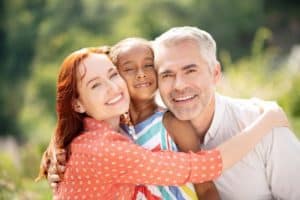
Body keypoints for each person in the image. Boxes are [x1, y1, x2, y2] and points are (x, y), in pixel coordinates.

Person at [37, 45, 288, 199]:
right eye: (95, 85)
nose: (113, 87)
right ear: (78, 104)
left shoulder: (107, 132)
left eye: (113, 74)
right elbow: (203, 166)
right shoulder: (103, 148)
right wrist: (266, 122)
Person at [152, 26, 300, 200]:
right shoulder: (148, 139)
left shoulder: (266, 127)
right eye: (167, 75)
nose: (179, 85)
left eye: (190, 71)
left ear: (215, 73)